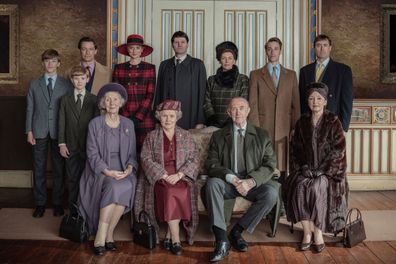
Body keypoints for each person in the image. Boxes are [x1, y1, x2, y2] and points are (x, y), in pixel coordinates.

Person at [204, 97, 279, 262]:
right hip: (229, 182)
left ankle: (237, 231)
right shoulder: (218, 136)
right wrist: (231, 178)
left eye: (241, 107)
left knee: (271, 194)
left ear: (248, 110)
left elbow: (270, 164)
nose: (237, 112)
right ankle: (222, 240)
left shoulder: (262, 135)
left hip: (252, 183)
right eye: (234, 108)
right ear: (228, 112)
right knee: (212, 184)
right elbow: (211, 163)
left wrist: (251, 181)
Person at [283, 82, 348, 253]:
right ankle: (306, 232)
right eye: (311, 98)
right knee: (299, 186)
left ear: (325, 101)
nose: (315, 102)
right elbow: (295, 149)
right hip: (306, 169)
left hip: (328, 172)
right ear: (307, 101)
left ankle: (318, 233)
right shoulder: (302, 121)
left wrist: (324, 170)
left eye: (319, 98)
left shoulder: (333, 121)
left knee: (317, 187)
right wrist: (302, 167)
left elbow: (338, 150)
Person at [78, 83, 138, 256]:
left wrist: (129, 168)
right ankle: (100, 236)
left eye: (115, 99)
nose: (112, 103)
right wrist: (107, 171)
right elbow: (92, 153)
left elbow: (132, 153)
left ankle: (109, 233)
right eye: (108, 99)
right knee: (113, 186)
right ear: (103, 103)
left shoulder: (128, 124)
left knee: (126, 185)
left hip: (122, 170)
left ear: (121, 103)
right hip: (101, 170)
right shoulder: (95, 124)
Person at [134, 100, 200, 255]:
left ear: (177, 117)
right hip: (159, 176)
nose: (168, 119)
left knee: (180, 190)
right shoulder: (151, 136)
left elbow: (194, 158)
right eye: (164, 116)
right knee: (170, 192)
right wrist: (162, 174)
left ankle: (170, 235)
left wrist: (180, 174)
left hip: (180, 175)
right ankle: (176, 239)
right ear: (159, 117)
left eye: (171, 116)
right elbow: (145, 158)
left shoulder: (186, 135)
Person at [25, 49, 72, 218]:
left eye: (53, 61)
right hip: (38, 130)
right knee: (39, 168)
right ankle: (40, 203)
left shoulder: (66, 84)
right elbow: (30, 109)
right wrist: (29, 131)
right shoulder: (34, 84)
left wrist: (65, 135)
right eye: (47, 61)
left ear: (59, 63)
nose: (50, 64)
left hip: (59, 133)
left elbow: (67, 111)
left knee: (59, 169)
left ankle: (58, 203)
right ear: (42, 63)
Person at [249, 37, 300, 179]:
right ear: (265, 51)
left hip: (285, 128)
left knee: (283, 165)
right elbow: (252, 104)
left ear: (280, 51)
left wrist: (295, 128)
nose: (273, 52)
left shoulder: (291, 75)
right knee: (264, 163)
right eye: (269, 49)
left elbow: (296, 105)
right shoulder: (256, 74)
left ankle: (283, 197)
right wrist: (255, 129)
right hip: (264, 127)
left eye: (276, 49)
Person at [58, 65, 99, 216]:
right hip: (70, 146)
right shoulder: (65, 99)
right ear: (71, 80)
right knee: (72, 179)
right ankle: (73, 210)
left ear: (87, 79)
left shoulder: (94, 100)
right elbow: (61, 122)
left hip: (88, 147)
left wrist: (94, 147)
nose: (79, 81)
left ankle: (87, 210)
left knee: (88, 179)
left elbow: (96, 126)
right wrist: (62, 144)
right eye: (76, 78)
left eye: (83, 78)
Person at [299, 34, 353, 132]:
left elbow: (347, 102)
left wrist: (343, 129)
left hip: (333, 124)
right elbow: (302, 101)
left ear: (330, 48)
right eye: (318, 45)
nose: (322, 48)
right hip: (309, 124)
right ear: (314, 48)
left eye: (325, 45)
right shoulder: (305, 71)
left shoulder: (343, 70)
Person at [154, 31, 207, 129]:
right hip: (167, 117)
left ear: (187, 44)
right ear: (172, 45)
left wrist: (200, 120)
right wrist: (157, 119)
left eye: (182, 42)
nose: (179, 45)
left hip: (191, 116)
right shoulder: (164, 65)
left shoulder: (197, 64)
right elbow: (158, 93)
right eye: (176, 42)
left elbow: (202, 94)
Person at [113, 34, 156, 152]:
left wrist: (138, 117)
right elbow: (116, 95)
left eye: (137, 48)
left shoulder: (150, 68)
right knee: (124, 150)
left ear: (142, 49)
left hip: (144, 117)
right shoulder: (119, 68)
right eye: (131, 48)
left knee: (146, 152)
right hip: (123, 115)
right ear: (127, 49)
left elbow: (150, 95)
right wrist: (126, 115)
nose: (134, 51)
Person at [204, 41, 249, 128]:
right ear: (219, 60)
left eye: (230, 58)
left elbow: (243, 101)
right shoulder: (211, 80)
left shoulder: (243, 79)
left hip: (235, 122)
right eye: (224, 58)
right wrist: (212, 118)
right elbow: (207, 101)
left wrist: (233, 118)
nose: (227, 61)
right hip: (214, 124)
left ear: (234, 60)